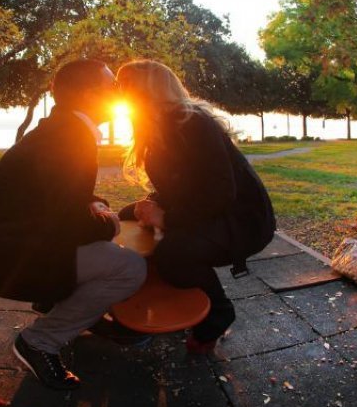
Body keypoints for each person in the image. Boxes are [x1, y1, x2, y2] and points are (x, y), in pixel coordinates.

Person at [0, 59, 147, 390]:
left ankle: (82, 313)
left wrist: (94, 204)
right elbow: (67, 222)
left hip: (6, 249)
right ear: (89, 94)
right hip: (7, 260)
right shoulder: (69, 138)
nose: (119, 93)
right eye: (112, 86)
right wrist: (109, 225)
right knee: (129, 267)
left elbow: (55, 195)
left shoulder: (61, 130)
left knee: (104, 248)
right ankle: (39, 342)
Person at [116, 60, 276, 353]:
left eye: (127, 86)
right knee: (128, 215)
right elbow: (183, 183)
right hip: (208, 208)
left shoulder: (192, 122)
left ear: (149, 90)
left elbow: (219, 192)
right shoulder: (156, 126)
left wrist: (167, 218)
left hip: (241, 220)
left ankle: (218, 313)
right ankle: (161, 296)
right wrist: (153, 202)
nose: (121, 93)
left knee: (174, 252)